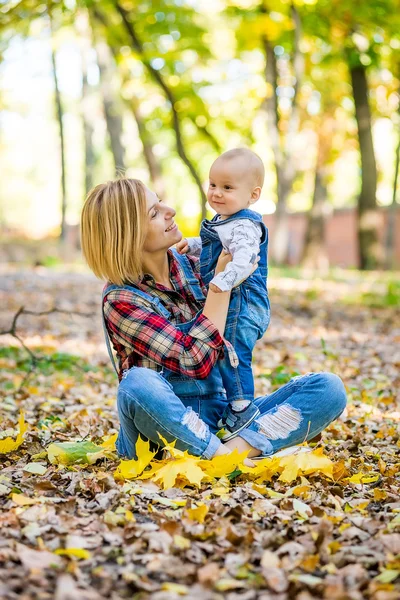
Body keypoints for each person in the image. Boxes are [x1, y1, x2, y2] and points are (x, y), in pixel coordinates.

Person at [80, 178, 347, 465]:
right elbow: (193, 360)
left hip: (220, 417)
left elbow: (242, 323)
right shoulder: (122, 299)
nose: (169, 210)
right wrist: (222, 284)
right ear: (126, 235)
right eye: (154, 213)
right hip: (156, 437)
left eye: (160, 202)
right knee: (136, 384)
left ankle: (228, 452)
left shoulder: (196, 264)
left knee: (328, 388)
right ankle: (233, 454)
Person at [177, 148, 270, 441]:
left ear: (253, 195)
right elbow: (217, 245)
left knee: (233, 353)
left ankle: (242, 408)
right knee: (223, 350)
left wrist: (225, 279)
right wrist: (193, 245)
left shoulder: (245, 224)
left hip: (244, 303)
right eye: (213, 184)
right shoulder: (226, 219)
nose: (216, 193)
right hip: (233, 300)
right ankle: (234, 406)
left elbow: (244, 259)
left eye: (227, 187)